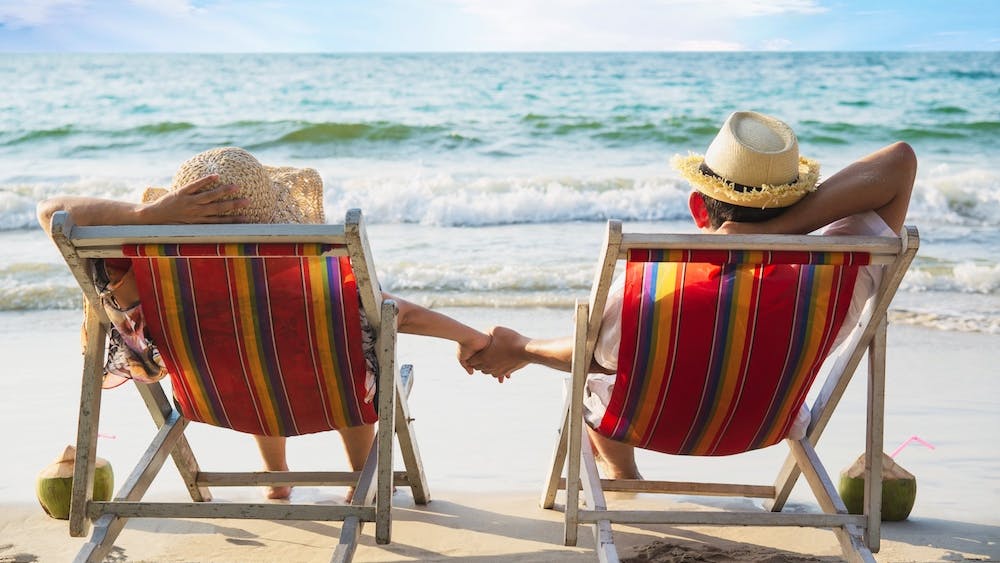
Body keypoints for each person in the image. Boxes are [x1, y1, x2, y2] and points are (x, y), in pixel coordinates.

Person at [466, 111, 916, 480]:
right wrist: (779, 233)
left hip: (652, 426)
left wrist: (522, 347)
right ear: (795, 203)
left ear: (698, 207)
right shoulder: (841, 276)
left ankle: (621, 471)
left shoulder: (652, 289)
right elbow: (899, 160)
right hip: (763, 427)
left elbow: (589, 354)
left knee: (600, 371)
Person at [38, 147, 491, 500]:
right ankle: (360, 477)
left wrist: (147, 218)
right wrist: (470, 338)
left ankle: (276, 479)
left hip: (219, 395)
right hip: (321, 389)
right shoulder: (306, 273)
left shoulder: (145, 274)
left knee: (241, 349)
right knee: (344, 348)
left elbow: (50, 211)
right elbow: (398, 313)